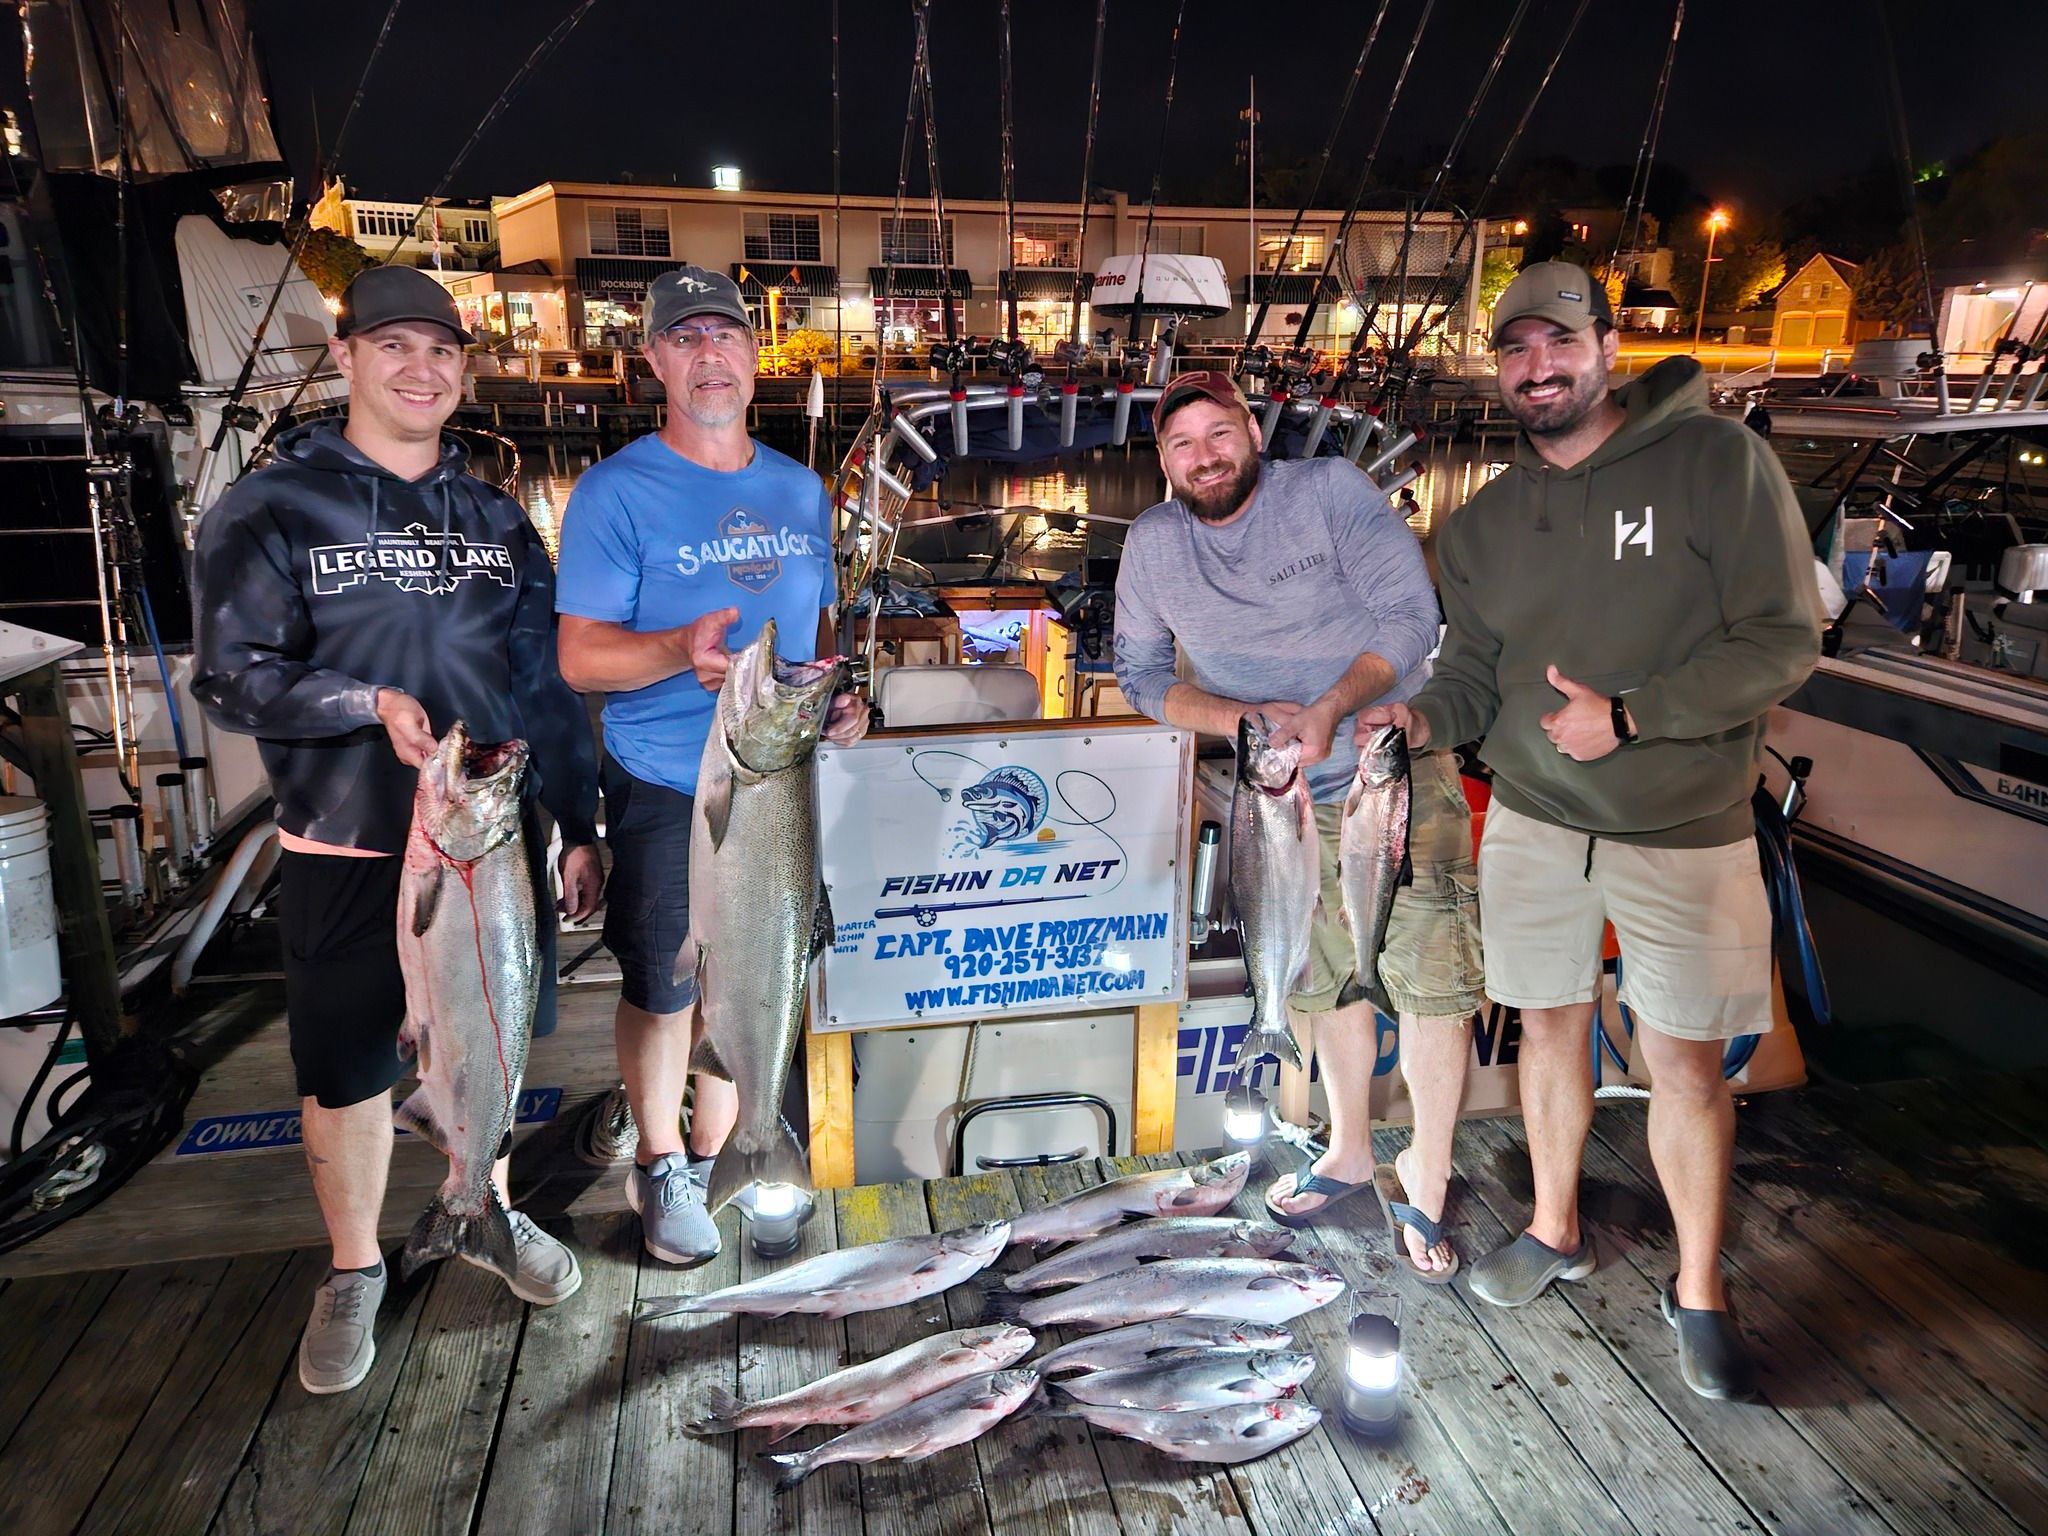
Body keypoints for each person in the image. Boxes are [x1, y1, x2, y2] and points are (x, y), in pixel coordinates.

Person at [1360, 262, 1821, 1398]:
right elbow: (1469, 676)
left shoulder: (1716, 461)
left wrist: (1627, 717)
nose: (1537, 368)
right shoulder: (1479, 527)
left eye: (1558, 344)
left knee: (1681, 1063)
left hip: (1684, 824)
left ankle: (1700, 1290)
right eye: (1513, 350)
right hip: (1528, 821)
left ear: (1605, 348)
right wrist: (1410, 717)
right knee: (1546, 1030)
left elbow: (1780, 639)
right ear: (1495, 368)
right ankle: (1554, 1226)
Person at [193, 265, 603, 1395]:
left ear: (461, 370)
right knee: (345, 1072)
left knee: (492, 1047)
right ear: (347, 357)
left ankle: (487, 1207)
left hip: (493, 841)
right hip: (347, 841)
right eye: (395, 347)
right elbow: (230, 677)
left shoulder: (496, 517)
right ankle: (353, 1267)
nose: (421, 369)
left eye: (441, 351)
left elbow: (545, 681)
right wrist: (362, 706)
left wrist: (577, 819)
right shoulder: (273, 505)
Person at [1114, 370, 1485, 1280]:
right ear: (1162, 461)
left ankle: (1429, 1174)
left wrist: (1328, 708)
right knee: (1318, 984)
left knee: (1432, 980)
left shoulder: (1326, 493)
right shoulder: (1155, 544)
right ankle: (1352, 1147)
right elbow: (1138, 672)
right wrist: (1237, 720)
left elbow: (1411, 615)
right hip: (1272, 796)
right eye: (1181, 444)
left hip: (1385, 772)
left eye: (1218, 432)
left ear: (1252, 428)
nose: (1204, 456)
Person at [554, 266, 866, 1267]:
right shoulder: (612, 491)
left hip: (781, 779)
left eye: (722, 335)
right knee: (661, 985)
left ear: (752, 353)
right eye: (682, 340)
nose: (707, 356)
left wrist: (841, 699)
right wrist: (671, 651)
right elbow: (577, 655)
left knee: (758, 967)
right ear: (652, 361)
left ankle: (728, 1144)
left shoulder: (799, 487)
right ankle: (661, 1164)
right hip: (663, 782)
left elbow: (815, 636)